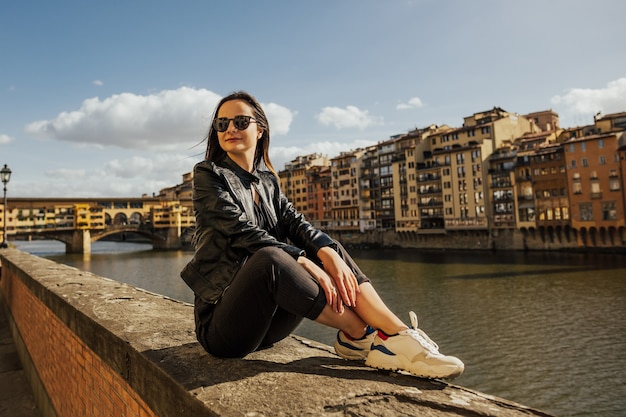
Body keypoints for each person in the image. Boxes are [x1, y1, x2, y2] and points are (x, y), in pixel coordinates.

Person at [180, 91, 464, 379]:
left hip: (268, 325)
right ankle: (362, 334)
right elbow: (240, 230)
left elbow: (297, 223)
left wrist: (327, 254)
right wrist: (302, 261)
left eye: (240, 122)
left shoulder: (268, 181)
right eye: (222, 123)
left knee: (329, 248)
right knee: (272, 259)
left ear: (260, 129)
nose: (230, 129)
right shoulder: (208, 174)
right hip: (223, 329)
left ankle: (396, 333)